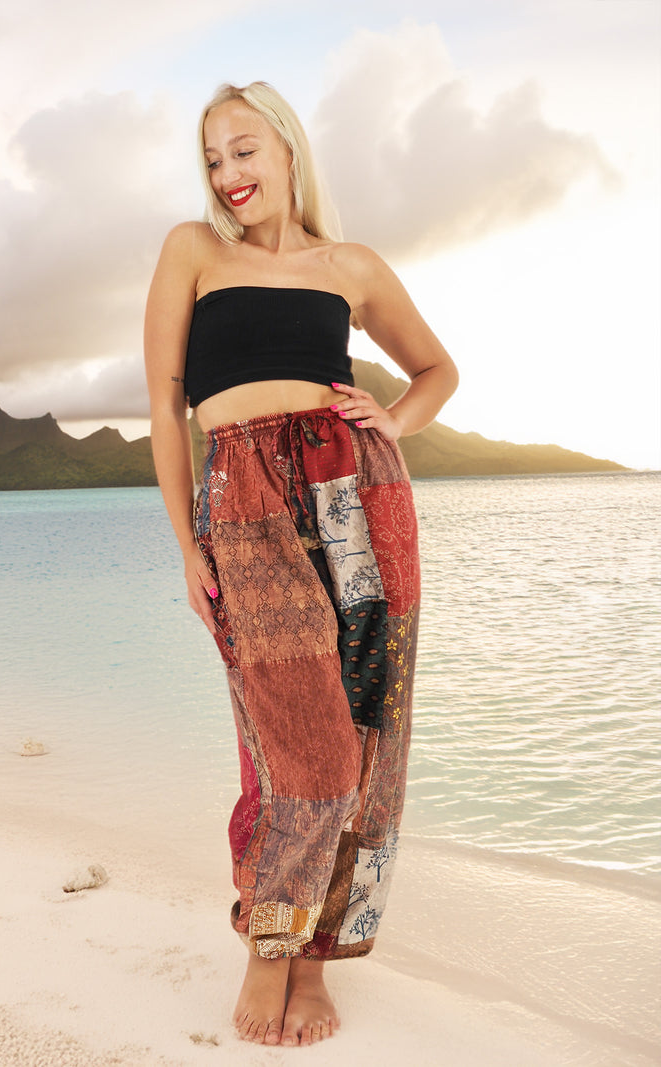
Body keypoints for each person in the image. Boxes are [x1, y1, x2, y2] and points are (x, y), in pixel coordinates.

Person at [144, 81, 458, 1048]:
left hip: (361, 499)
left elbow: (436, 370)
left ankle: (317, 959)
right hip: (245, 507)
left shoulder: (351, 265)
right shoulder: (194, 253)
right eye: (213, 159)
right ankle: (266, 942)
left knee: (368, 751)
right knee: (302, 755)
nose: (228, 175)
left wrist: (390, 422)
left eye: (244, 151)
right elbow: (164, 403)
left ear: (286, 149)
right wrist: (187, 544)